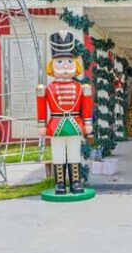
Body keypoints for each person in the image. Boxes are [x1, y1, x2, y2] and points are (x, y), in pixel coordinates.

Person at [36, 31, 93, 195]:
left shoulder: (81, 88)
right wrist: (41, 124)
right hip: (56, 125)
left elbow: (86, 106)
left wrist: (88, 122)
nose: (65, 65)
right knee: (58, 155)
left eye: (69, 61)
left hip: (75, 124)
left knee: (75, 154)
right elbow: (41, 106)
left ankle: (76, 182)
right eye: (59, 61)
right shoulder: (47, 88)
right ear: (51, 66)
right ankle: (60, 183)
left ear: (76, 65)